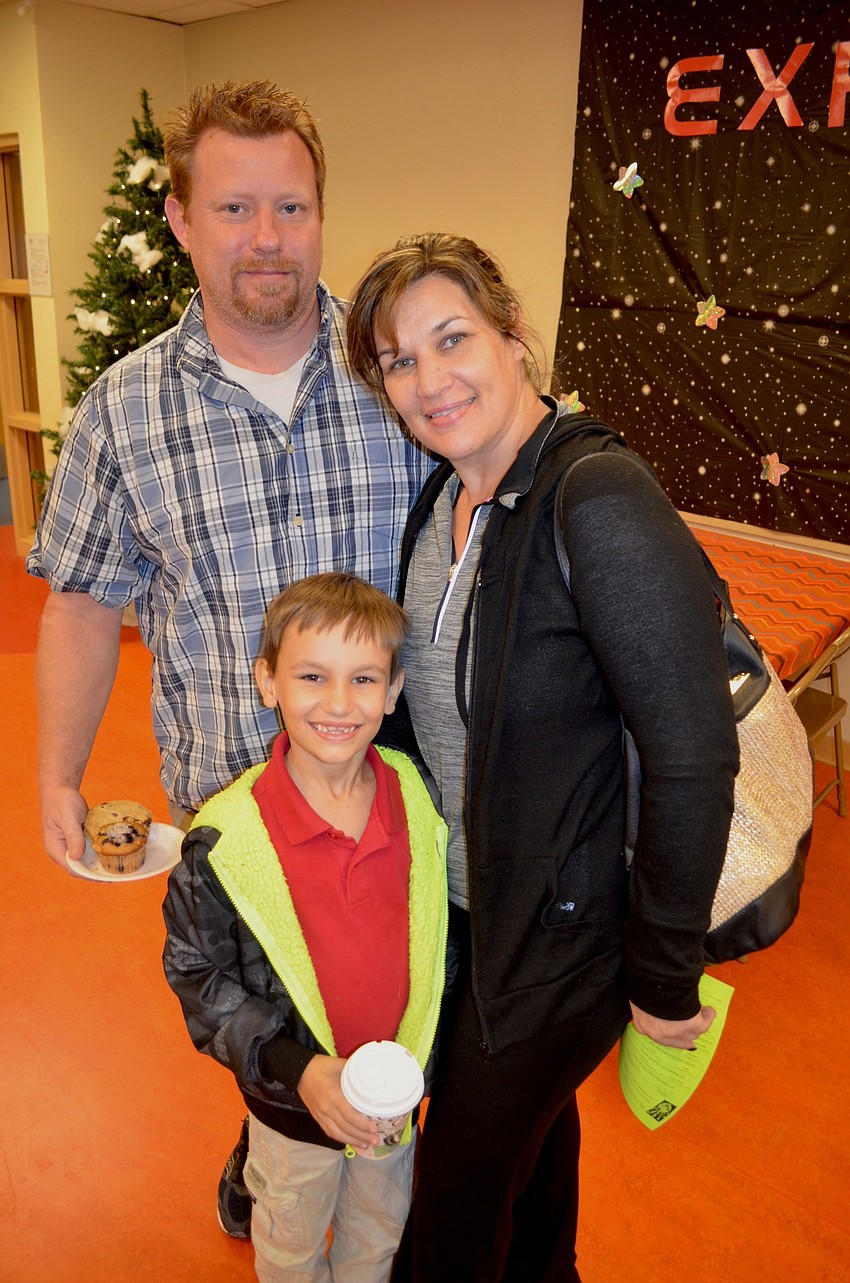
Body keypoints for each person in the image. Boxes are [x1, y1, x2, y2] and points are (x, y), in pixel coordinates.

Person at [345, 232, 740, 1282]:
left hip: (567, 949)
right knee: (532, 1154)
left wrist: (663, 976)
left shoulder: (598, 499)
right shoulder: (444, 503)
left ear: (514, 335)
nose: (429, 380)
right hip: (472, 913)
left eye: (451, 338)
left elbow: (691, 754)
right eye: (398, 360)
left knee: (452, 1210)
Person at [27, 79, 431, 861]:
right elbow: (81, 608)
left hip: (403, 823)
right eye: (235, 208)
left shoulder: (400, 373)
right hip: (226, 828)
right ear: (181, 220)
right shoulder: (119, 412)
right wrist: (57, 776)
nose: (269, 238)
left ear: (319, 212)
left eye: (291, 207)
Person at [162, 571, 448, 1282]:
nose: (339, 702)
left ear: (394, 689)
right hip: (292, 1111)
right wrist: (300, 1070)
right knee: (289, 1248)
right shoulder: (227, 838)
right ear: (268, 681)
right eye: (312, 675)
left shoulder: (414, 795)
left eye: (364, 678)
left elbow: (436, 938)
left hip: (390, 1102)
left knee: (377, 1237)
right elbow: (199, 977)